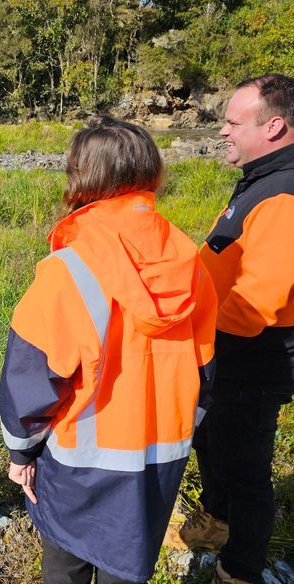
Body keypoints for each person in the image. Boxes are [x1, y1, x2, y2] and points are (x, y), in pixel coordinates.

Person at [0, 116, 218, 583]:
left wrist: (20, 453)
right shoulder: (192, 263)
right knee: (127, 562)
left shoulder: (69, 268)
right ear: (152, 172)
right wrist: (186, 426)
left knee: (67, 562)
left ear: (82, 177)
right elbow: (206, 369)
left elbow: (31, 377)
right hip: (160, 458)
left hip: (78, 463)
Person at [166, 74, 294, 584]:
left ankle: (239, 570)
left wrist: (186, 325)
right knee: (213, 445)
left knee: (245, 472)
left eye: (233, 122)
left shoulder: (284, 194)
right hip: (224, 356)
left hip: (252, 361)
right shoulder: (263, 180)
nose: (222, 131)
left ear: (274, 127)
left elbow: (257, 302)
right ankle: (215, 524)